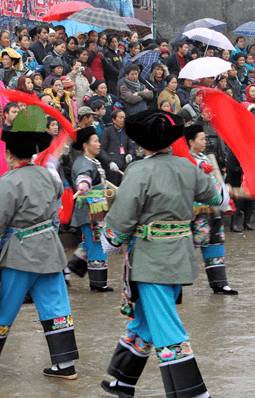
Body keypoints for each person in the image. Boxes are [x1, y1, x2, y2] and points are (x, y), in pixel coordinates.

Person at [99, 109, 229, 398]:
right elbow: (217, 198)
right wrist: (220, 181)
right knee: (146, 320)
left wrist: (110, 240)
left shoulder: (139, 170)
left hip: (150, 259)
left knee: (167, 327)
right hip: (181, 256)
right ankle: (121, 381)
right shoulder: (188, 167)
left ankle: (192, 393)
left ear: (142, 143)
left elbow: (122, 218)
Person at [0, 121, 79, 379]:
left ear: (9, 154)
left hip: (20, 254)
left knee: (1, 306)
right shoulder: (47, 175)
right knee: (56, 307)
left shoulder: (9, 181)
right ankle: (65, 364)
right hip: (51, 251)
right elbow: (57, 191)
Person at [185, 124, 238, 295]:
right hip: (195, 210)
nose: (205, 142)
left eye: (205, 138)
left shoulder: (206, 158)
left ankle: (219, 283)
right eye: (201, 139)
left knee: (215, 242)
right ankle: (176, 283)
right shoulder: (185, 160)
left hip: (213, 207)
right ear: (191, 142)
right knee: (189, 245)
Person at [66, 127, 113, 291]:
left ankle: (66, 271)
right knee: (98, 244)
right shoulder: (83, 163)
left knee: (89, 243)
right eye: (95, 141)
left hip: (97, 209)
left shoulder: (94, 161)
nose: (99, 144)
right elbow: (83, 176)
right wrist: (83, 183)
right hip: (90, 210)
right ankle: (98, 284)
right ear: (85, 145)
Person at [98, 109, 133, 186]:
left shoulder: (126, 131)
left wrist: (130, 154)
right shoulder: (107, 132)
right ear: (113, 119)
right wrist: (109, 162)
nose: (123, 120)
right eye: (120, 118)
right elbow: (101, 150)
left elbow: (130, 147)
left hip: (124, 167)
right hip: (112, 168)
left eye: (124, 118)